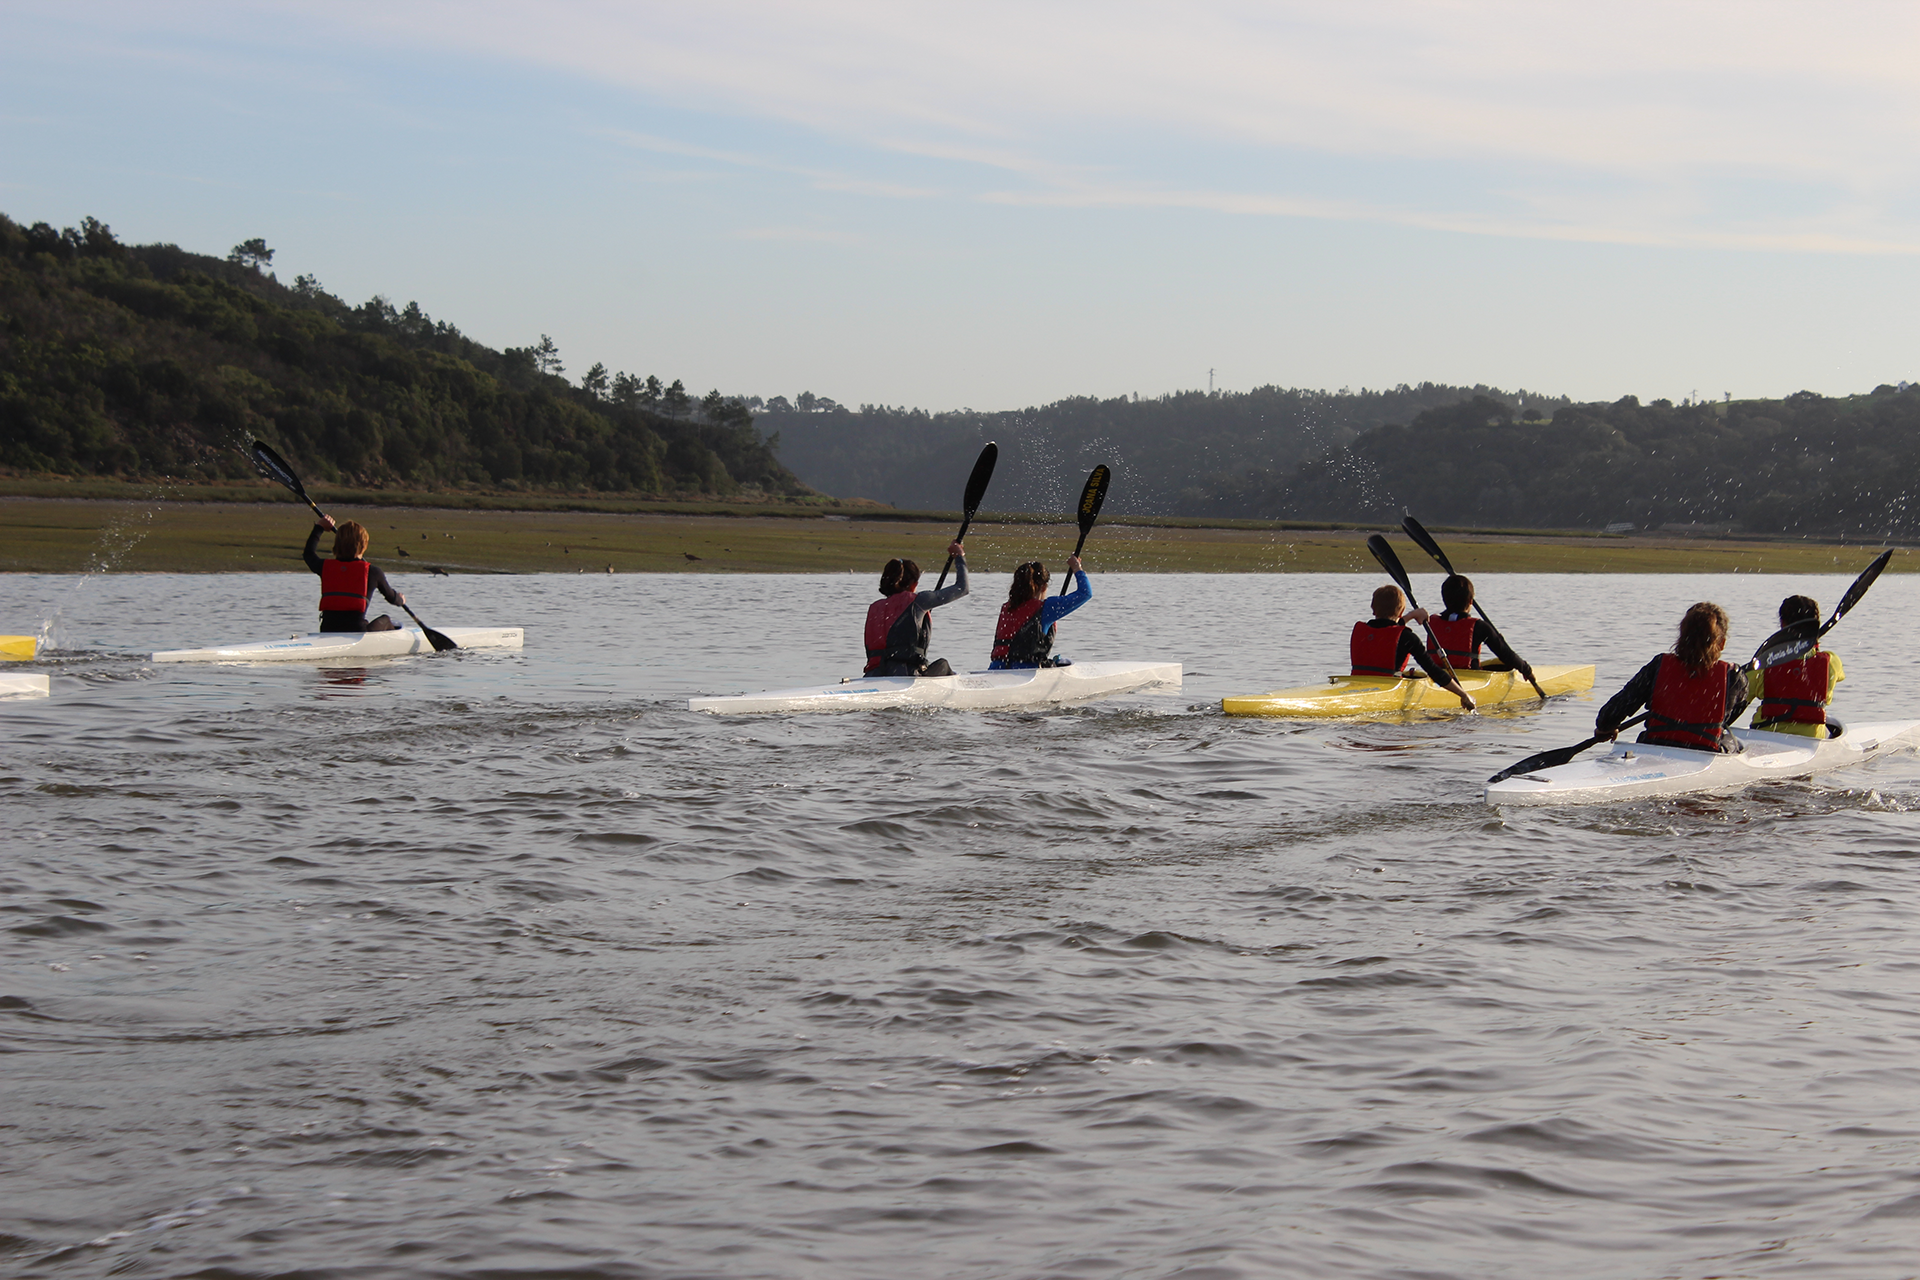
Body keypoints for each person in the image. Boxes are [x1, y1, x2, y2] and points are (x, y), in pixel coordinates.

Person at [1595, 601, 1751, 752]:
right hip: (1705, 750)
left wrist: (1606, 727)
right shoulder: (1734, 676)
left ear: (1681, 637)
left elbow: (1613, 711)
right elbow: (1733, 713)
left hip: (1655, 744)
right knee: (1738, 743)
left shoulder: (1658, 665)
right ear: (1722, 643)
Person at [1351, 584, 1476, 710]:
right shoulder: (1407, 637)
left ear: (1373, 609)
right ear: (1401, 611)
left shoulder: (1360, 630)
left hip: (1355, 686)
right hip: (1388, 691)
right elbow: (1433, 670)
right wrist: (1463, 694)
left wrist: (1411, 616)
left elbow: (1385, 627)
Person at [864, 542, 968, 677]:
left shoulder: (874, 607)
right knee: (943, 665)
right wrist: (959, 556)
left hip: (872, 675)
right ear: (914, 585)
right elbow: (962, 588)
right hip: (906, 675)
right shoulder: (919, 601)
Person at [1747, 594, 1843, 738]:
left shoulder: (1763, 665)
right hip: (1811, 741)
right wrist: (1813, 646)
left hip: (1765, 737)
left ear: (1782, 624)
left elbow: (1741, 694)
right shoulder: (1831, 662)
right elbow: (1839, 676)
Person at [304, 515, 405, 633]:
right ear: (363, 546)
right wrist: (400, 600)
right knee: (386, 619)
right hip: (357, 631)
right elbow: (392, 597)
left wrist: (319, 527)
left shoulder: (325, 567)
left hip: (327, 630)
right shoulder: (373, 572)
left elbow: (308, 554)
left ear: (337, 544)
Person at [989, 556, 1091, 669]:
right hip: (1025, 671)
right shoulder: (1046, 608)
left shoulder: (1007, 607)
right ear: (1044, 587)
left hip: (996, 668)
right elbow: (1085, 593)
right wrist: (1077, 568)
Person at [1427, 575, 1535, 680]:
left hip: (1437, 676)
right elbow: (1505, 654)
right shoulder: (1479, 626)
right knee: (1507, 665)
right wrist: (1526, 670)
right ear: (1471, 601)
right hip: (1470, 679)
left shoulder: (1429, 622)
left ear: (1444, 599)